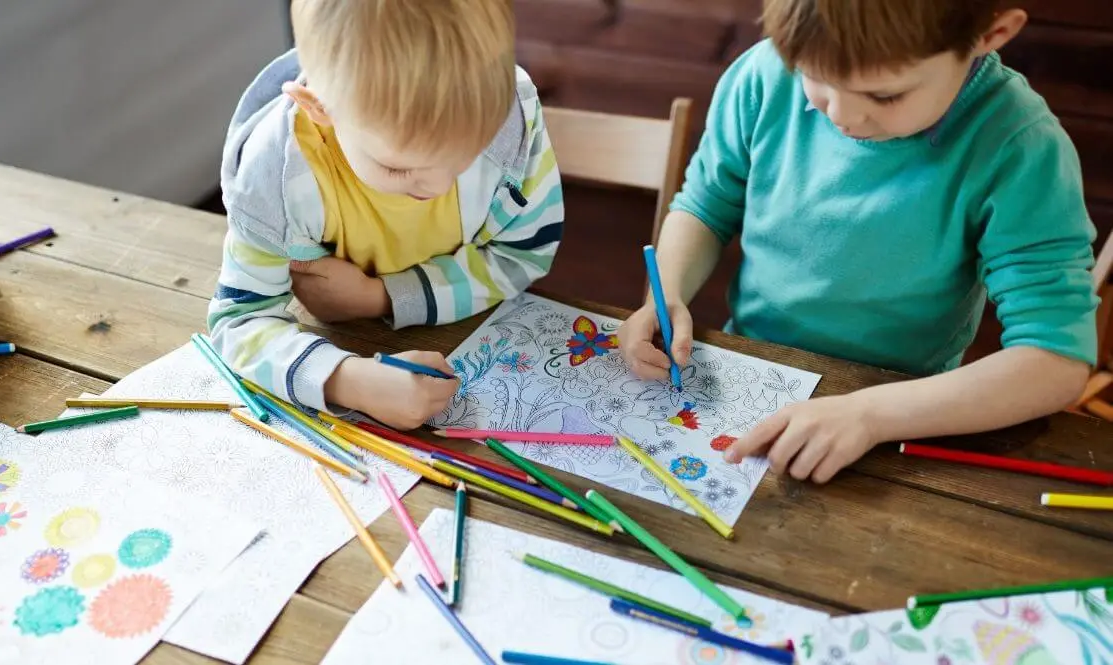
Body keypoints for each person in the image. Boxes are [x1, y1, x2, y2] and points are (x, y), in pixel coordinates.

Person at [618, 0, 1097, 483]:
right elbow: (705, 205)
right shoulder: (764, 75)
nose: (841, 115)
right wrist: (668, 292)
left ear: (990, 35)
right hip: (751, 371)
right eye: (813, 77)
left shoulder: (1019, 145)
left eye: (885, 95)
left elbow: (1055, 360)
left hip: (903, 411)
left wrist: (871, 415)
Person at [208, 0, 564, 429]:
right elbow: (240, 320)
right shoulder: (273, 181)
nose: (437, 187)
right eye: (398, 167)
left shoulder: (510, 118)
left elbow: (523, 253)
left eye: (465, 155)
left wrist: (380, 296)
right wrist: (348, 380)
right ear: (317, 107)